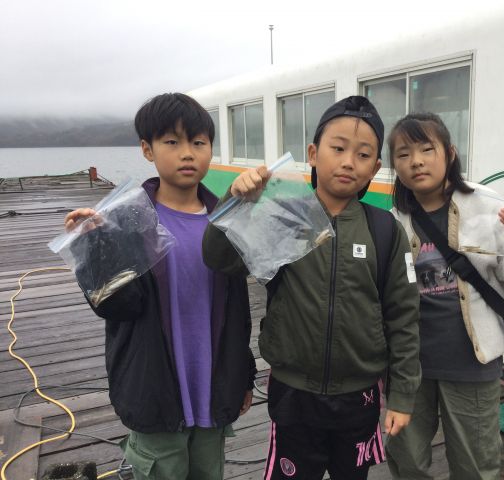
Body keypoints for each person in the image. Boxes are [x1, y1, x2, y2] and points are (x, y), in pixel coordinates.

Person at [202, 96, 421, 480]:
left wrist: (401, 396)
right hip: (293, 394)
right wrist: (237, 201)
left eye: (363, 154)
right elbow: (219, 258)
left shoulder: (385, 230)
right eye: (338, 148)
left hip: (359, 397)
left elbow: (403, 316)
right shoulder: (285, 218)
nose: (349, 162)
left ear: (376, 168)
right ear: (313, 154)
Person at [63, 93, 256, 480]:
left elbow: (239, 311)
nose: (187, 153)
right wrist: (95, 246)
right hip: (154, 389)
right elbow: (118, 306)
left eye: (198, 142)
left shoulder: (225, 219)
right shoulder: (126, 220)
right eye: (172, 141)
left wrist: (244, 374)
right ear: (147, 149)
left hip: (213, 387)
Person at [384, 112, 504, 480]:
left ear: (450, 153)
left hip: (472, 364)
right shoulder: (392, 221)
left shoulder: (488, 208)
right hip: (409, 368)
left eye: (427, 149)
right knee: (406, 459)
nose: (416, 161)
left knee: (475, 465)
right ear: (394, 165)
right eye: (404, 154)